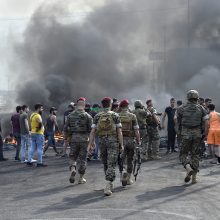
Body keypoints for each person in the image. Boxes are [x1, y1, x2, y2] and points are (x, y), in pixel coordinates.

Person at [88, 97, 123, 196]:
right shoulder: (115, 115)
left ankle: (109, 182)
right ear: (110, 104)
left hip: (102, 141)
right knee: (111, 162)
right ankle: (108, 184)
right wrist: (122, 144)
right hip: (112, 141)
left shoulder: (97, 116)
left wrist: (90, 145)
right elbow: (119, 132)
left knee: (105, 163)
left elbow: (92, 132)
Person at [175, 90, 208, 184]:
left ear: (188, 97)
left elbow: (176, 121)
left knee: (183, 154)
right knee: (195, 155)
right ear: (197, 97)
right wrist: (204, 134)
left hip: (185, 133)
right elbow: (206, 122)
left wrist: (179, 132)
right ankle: (194, 178)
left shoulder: (181, 108)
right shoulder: (201, 108)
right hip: (197, 134)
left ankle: (188, 167)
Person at [64, 97, 93, 184]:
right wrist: (92, 143)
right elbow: (91, 130)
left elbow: (65, 129)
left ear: (76, 105)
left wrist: (66, 139)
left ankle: (73, 168)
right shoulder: (88, 116)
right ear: (84, 105)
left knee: (73, 156)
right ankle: (81, 178)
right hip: (84, 139)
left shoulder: (70, 115)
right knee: (83, 159)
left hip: (74, 139)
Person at [119, 99, 141, 186]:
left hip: (121, 141)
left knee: (121, 159)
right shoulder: (132, 116)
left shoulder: (117, 116)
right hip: (131, 140)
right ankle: (128, 178)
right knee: (130, 159)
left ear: (121, 107)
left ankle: (123, 171)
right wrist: (138, 141)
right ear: (128, 106)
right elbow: (136, 130)